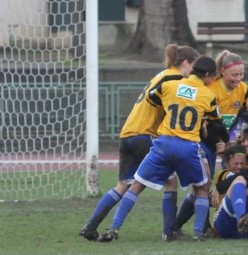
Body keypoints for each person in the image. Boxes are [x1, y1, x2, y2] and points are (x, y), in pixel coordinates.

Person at [97, 56, 228, 242]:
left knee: (136, 185)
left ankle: (114, 228)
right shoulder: (208, 95)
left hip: (164, 143)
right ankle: (198, 232)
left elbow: (152, 98)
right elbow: (217, 125)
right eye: (211, 78)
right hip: (187, 146)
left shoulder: (170, 85)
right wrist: (226, 140)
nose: (211, 81)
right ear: (207, 75)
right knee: (202, 187)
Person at [78, 44, 199, 241]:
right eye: (193, 67)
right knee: (170, 181)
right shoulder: (176, 80)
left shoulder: (161, 75)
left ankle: (91, 226)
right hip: (145, 135)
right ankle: (169, 232)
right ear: (185, 63)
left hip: (128, 134)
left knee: (122, 185)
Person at [172, 50, 248, 235]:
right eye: (235, 74)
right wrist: (218, 143)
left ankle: (198, 225)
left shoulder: (242, 89)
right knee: (203, 186)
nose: (238, 78)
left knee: (215, 184)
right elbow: (205, 123)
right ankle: (185, 227)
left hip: (221, 142)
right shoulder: (211, 88)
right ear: (222, 72)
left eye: (241, 74)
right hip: (202, 140)